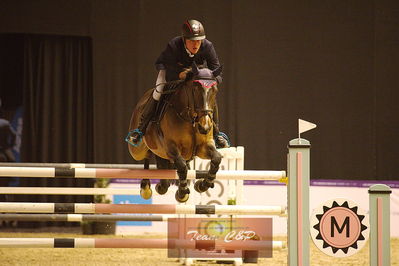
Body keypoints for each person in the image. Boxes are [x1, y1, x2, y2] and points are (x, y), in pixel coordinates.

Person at [130, 19, 230, 148]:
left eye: (199, 40)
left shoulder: (207, 46)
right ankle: (140, 129)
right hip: (171, 71)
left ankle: (217, 134)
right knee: (158, 92)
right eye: (192, 41)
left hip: (195, 74)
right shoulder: (174, 45)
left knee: (207, 97)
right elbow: (168, 68)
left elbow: (216, 70)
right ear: (184, 40)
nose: (196, 44)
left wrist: (211, 81)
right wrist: (179, 74)